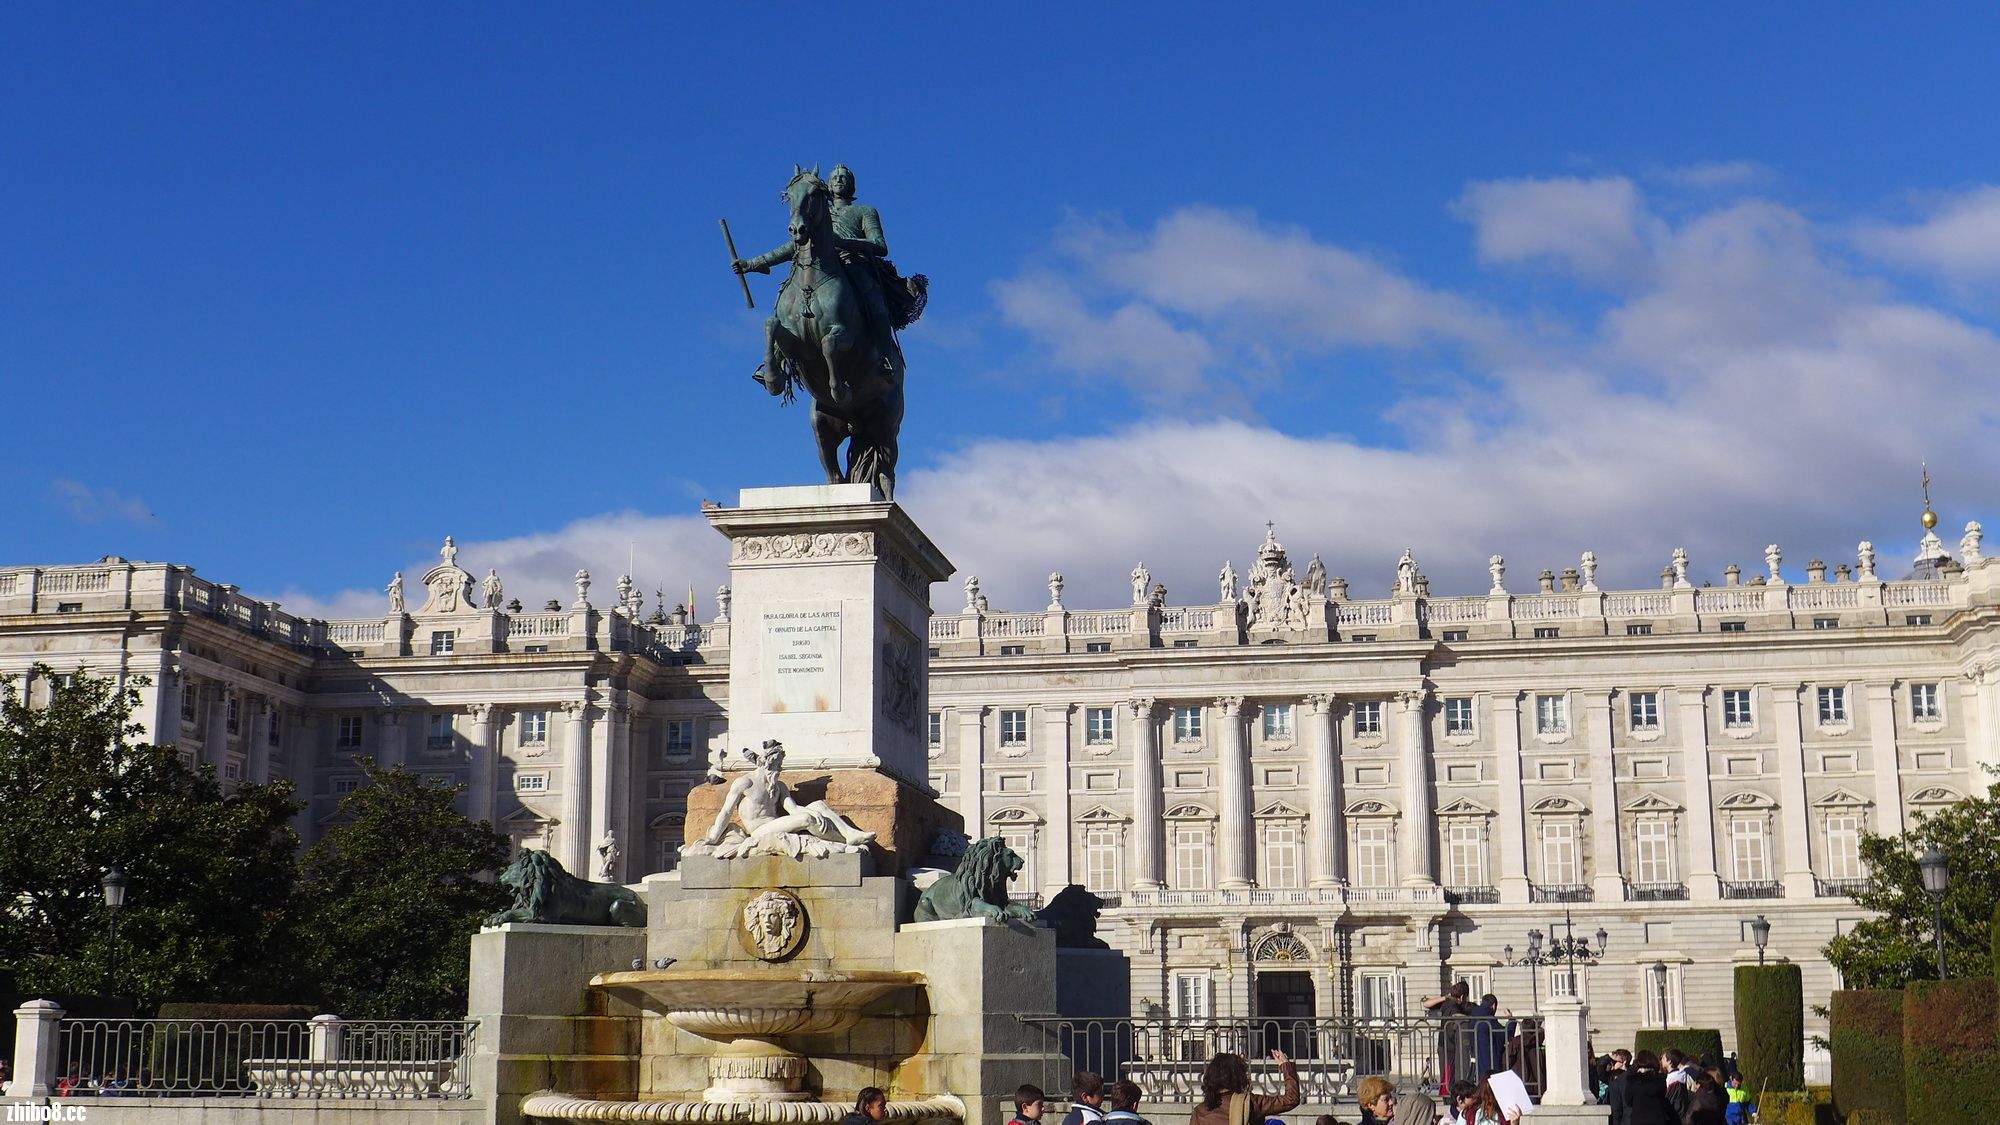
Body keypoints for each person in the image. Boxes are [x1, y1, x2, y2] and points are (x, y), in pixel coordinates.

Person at [1191, 1050, 1300, 1125]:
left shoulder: (1199, 1112)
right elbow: (1291, 1099)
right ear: (1238, 1077)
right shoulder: (1248, 1102)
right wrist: (1285, 1066)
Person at [1621, 1050, 1676, 1125]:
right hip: (1658, 1119)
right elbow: (1663, 1096)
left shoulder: (1632, 1081)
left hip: (1638, 1119)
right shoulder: (1660, 1080)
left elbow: (1628, 1101)